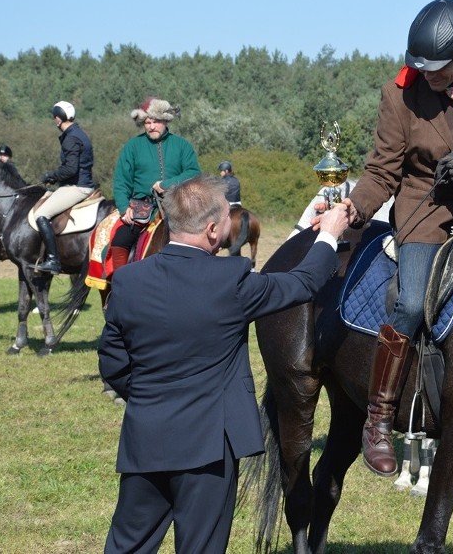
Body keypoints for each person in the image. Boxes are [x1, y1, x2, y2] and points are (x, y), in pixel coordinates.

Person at [314, 0, 453, 476]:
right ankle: (378, 418)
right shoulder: (400, 94)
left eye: (436, 69)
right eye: (421, 67)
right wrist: (353, 208)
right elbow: (382, 171)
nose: (426, 76)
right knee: (412, 303)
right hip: (425, 208)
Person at [98, 174, 348, 553]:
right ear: (213, 229)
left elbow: (113, 363)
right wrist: (328, 234)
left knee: (128, 545)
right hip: (210, 448)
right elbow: (303, 282)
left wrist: (152, 400)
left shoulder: (128, 281)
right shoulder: (232, 280)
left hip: (144, 439)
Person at [110, 97, 201, 269]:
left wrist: (168, 184)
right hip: (141, 208)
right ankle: (120, 288)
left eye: (156, 122)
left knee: (204, 238)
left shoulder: (182, 145)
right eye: (147, 122)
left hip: (178, 205)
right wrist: (124, 208)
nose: (151, 126)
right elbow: (121, 181)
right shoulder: (132, 146)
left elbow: (194, 172)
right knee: (119, 240)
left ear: (166, 121)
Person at [31, 101, 96, 274]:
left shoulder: (71, 138)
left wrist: (51, 175)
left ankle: (53, 260)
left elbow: (70, 169)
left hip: (78, 187)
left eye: (55, 118)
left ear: (59, 119)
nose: (54, 121)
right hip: (80, 183)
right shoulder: (79, 133)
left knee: (41, 214)